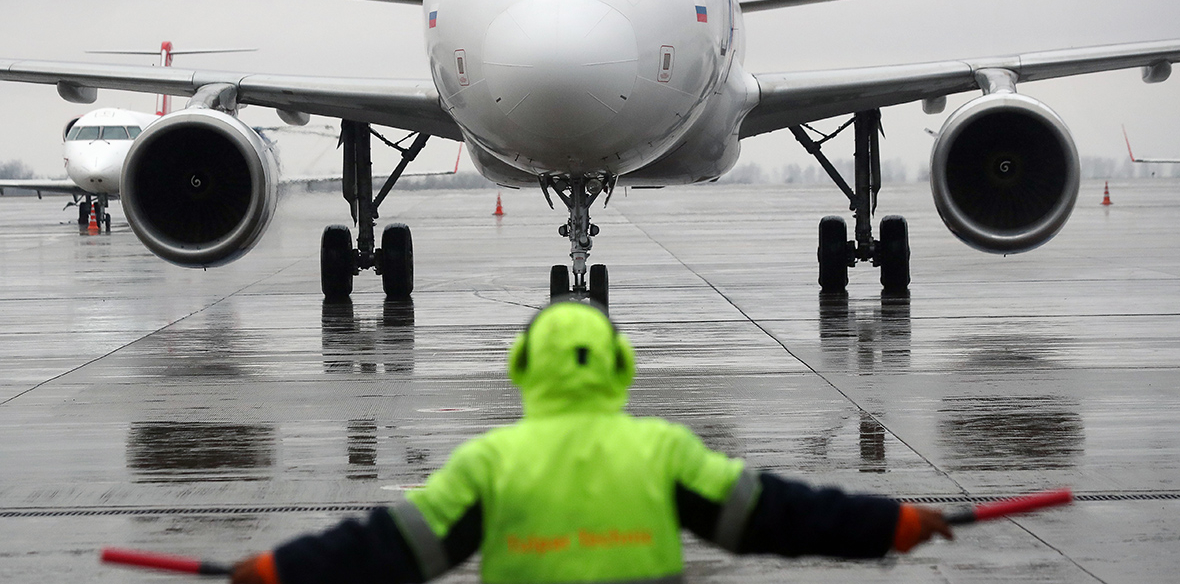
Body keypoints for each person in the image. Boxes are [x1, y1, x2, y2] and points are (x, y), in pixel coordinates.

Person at [232, 301, 950, 584]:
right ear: (621, 364)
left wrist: (279, 568)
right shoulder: (662, 451)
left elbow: (386, 546)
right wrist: (890, 523)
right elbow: (780, 513)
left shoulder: (490, 463)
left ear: (521, 367)